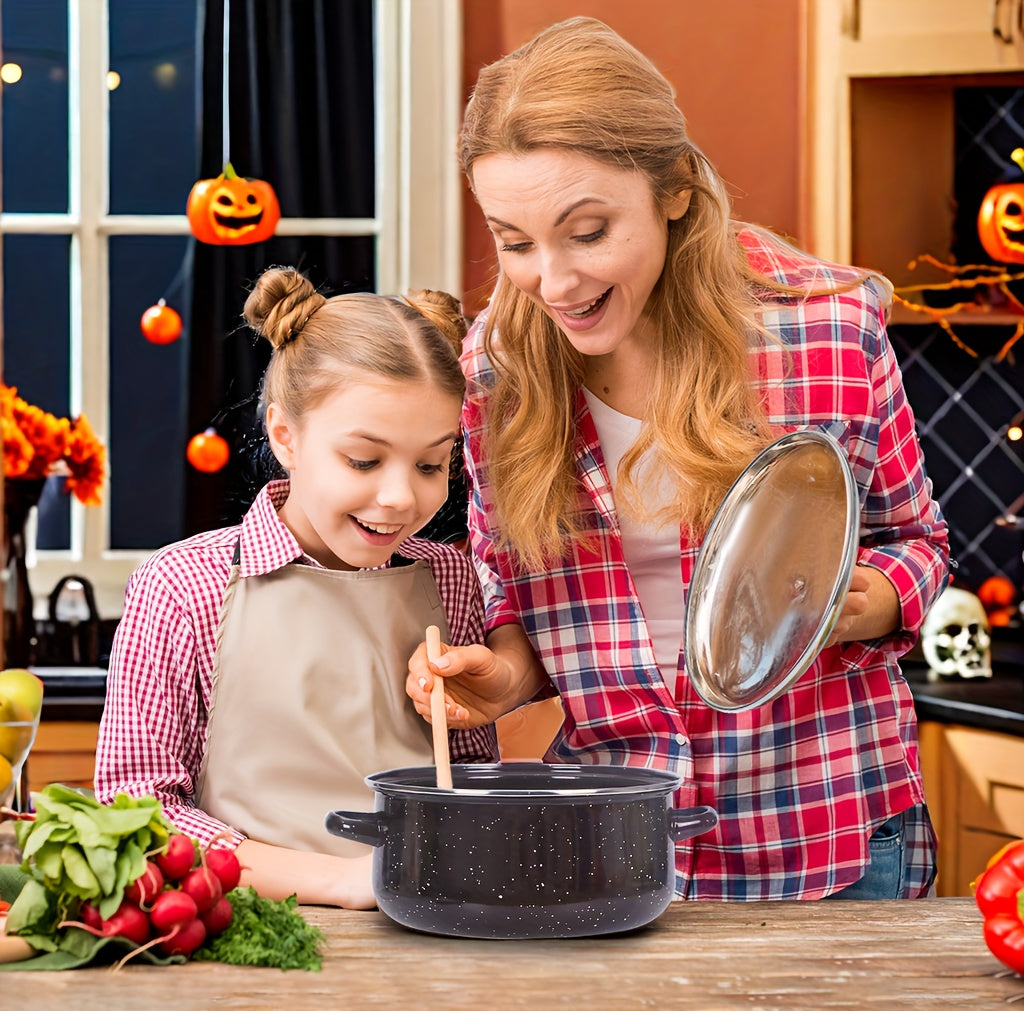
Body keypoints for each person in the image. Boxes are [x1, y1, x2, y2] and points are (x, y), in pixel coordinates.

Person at [407, 17, 950, 901]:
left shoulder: (827, 328)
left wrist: (871, 599)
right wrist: (501, 676)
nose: (553, 280)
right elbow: (514, 586)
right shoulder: (494, 369)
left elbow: (917, 540)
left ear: (673, 190)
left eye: (587, 231)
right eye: (515, 242)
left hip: (829, 837)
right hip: (611, 846)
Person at [96, 267, 497, 909]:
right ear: (286, 435)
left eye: (431, 463)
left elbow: (474, 780)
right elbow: (135, 813)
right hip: (242, 931)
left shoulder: (451, 579)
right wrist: (343, 882)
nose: (400, 497)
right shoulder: (182, 586)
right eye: (363, 460)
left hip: (428, 926)